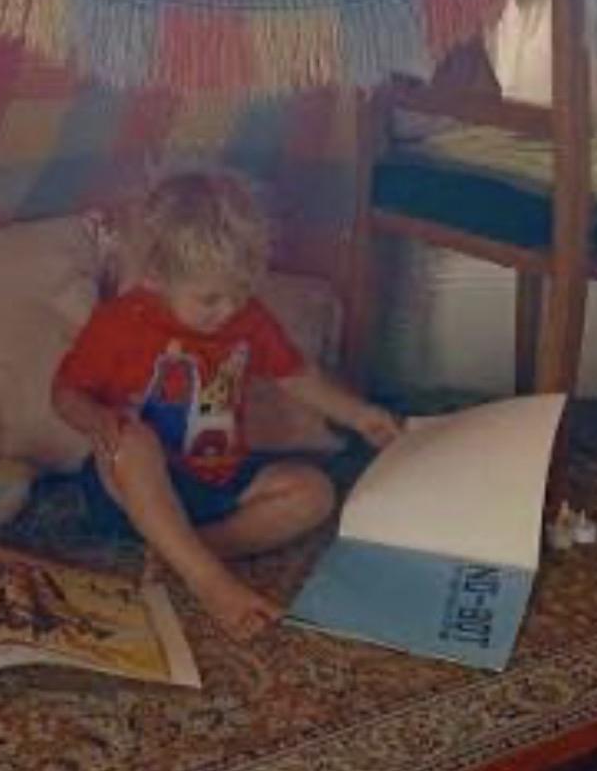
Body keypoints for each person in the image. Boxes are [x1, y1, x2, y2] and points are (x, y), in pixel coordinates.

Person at [52, 171, 400, 641]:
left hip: (216, 480)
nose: (230, 309)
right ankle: (209, 581)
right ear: (158, 276)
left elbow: (296, 374)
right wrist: (98, 420)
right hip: (131, 490)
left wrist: (359, 415)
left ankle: (190, 550)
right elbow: (65, 394)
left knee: (315, 493)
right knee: (131, 443)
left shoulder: (248, 320)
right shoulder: (121, 323)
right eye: (210, 299)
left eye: (241, 292)